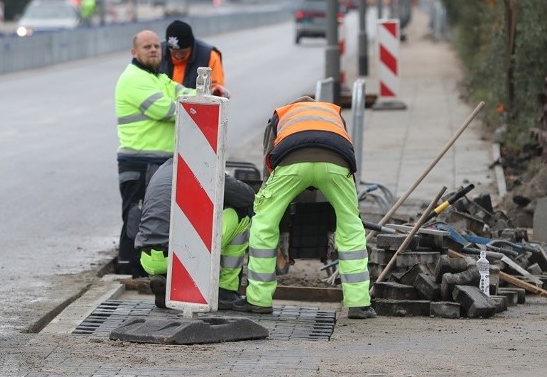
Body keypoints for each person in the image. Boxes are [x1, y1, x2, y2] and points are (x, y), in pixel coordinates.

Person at [234, 97, 376, 319]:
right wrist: (348, 204)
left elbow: (268, 161)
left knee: (263, 223)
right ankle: (359, 303)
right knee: (351, 226)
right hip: (336, 163)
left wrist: (269, 201)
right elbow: (345, 148)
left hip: (291, 162)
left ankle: (258, 299)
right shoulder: (333, 112)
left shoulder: (281, 115)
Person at [114, 29, 195, 277]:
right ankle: (128, 268)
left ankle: (145, 269)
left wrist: (211, 96)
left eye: (156, 47)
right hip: (139, 161)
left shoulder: (159, 78)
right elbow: (166, 109)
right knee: (137, 217)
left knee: (155, 217)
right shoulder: (134, 78)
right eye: (146, 47)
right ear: (134, 52)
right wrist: (197, 105)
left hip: (157, 161)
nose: (153, 50)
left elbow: (184, 93)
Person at [136, 157, 255, 310]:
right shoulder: (201, 163)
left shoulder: (163, 170)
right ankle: (225, 289)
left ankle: (168, 280)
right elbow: (246, 196)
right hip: (180, 256)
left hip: (148, 258)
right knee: (242, 214)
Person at [160, 20, 225, 90]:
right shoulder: (158, 53)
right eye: (173, 52)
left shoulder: (209, 56)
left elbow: (216, 89)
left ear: (191, 46)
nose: (178, 55)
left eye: (182, 52)